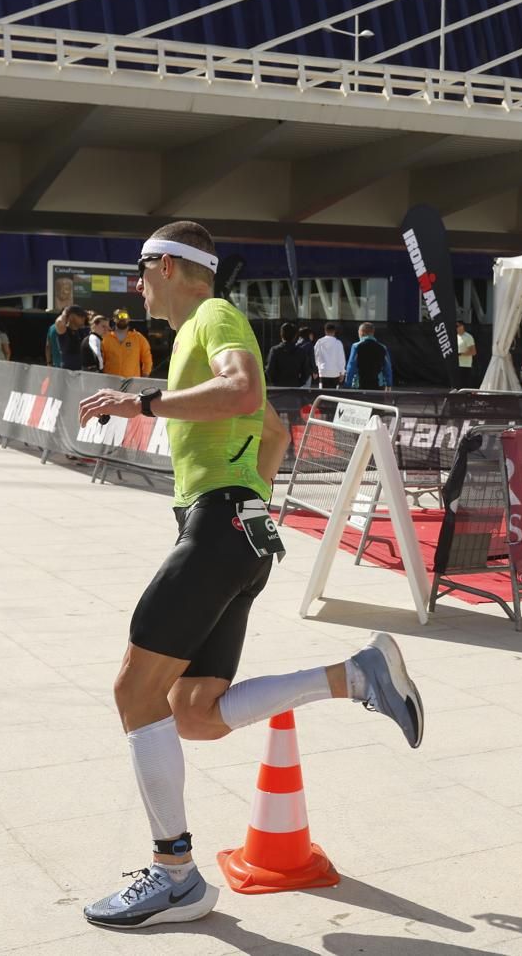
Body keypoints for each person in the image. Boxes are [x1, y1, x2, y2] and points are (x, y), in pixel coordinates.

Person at [75, 220, 424, 930]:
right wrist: (255, 515)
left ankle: (175, 876)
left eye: (142, 268)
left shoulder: (213, 316)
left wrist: (141, 404)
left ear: (171, 265)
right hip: (235, 528)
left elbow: (240, 394)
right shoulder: (196, 332)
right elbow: (272, 431)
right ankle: (356, 675)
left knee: (133, 691)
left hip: (220, 526)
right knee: (194, 712)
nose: (137, 283)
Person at [102, 309, 154, 378]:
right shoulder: (106, 338)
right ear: (114, 319)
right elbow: (101, 359)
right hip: (110, 381)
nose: (122, 318)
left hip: (131, 382)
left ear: (129, 319)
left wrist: (145, 375)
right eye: (119, 316)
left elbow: (147, 358)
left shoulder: (138, 338)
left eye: (125, 316)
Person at [345, 322, 392, 391]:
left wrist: (347, 385)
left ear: (362, 332)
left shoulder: (356, 346)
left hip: (359, 385)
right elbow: (387, 368)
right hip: (378, 385)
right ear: (373, 332)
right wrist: (389, 384)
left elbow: (351, 366)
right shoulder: (383, 347)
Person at [264, 322, 311, 388]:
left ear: (281, 334)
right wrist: (299, 383)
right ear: (295, 336)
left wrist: (275, 382)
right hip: (295, 386)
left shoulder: (275, 350)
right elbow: (306, 371)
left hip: (279, 388)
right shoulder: (301, 352)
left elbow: (269, 370)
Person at [312, 322, 346, 389]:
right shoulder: (338, 343)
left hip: (323, 371)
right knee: (334, 394)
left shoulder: (319, 342)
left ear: (325, 331)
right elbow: (341, 359)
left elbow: (315, 356)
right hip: (335, 372)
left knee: (323, 393)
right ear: (334, 331)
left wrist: (315, 369)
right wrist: (342, 373)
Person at [55, 305, 89, 370]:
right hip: (67, 373)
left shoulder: (82, 331)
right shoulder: (64, 331)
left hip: (81, 373)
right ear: (71, 316)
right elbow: (59, 322)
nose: (83, 317)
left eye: (84, 315)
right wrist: (66, 311)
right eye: (80, 315)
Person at [455, 319, 477, 383]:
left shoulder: (468, 337)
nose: (456, 328)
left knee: (464, 384)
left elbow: (473, 352)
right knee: (457, 384)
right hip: (456, 365)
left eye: (457, 326)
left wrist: (460, 354)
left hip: (465, 365)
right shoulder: (455, 337)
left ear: (462, 326)